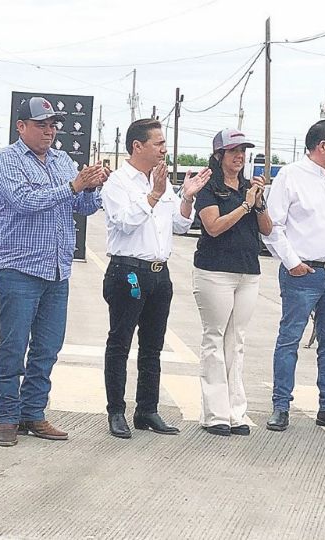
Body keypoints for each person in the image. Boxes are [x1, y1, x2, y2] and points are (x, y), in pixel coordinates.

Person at [0, 96, 105, 447]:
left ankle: (33, 412)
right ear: (21, 127)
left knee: (47, 348)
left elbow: (81, 206)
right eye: (41, 124)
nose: (49, 131)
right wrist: (73, 185)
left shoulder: (63, 161)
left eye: (53, 124)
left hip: (56, 269)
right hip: (19, 268)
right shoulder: (6, 161)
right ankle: (7, 417)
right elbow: (24, 202)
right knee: (13, 347)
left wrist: (95, 185)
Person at [101, 118, 210, 439]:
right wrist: (155, 194)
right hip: (127, 272)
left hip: (159, 275)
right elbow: (124, 222)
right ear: (138, 146)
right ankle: (116, 411)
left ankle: (147, 410)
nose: (164, 149)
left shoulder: (160, 179)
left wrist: (186, 197)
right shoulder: (118, 182)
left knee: (153, 347)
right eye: (159, 143)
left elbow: (179, 224)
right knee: (120, 344)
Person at [262, 119, 325, 433]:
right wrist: (292, 262)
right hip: (302, 273)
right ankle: (281, 406)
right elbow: (272, 227)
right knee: (290, 339)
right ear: (323, 146)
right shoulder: (291, 177)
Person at [192, 129, 271, 437]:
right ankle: (215, 414)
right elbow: (212, 227)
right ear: (219, 155)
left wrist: (258, 202)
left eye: (243, 151)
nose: (239, 156)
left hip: (247, 271)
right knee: (215, 338)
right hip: (215, 271)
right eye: (233, 150)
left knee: (236, 341)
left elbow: (267, 228)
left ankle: (236, 413)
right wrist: (245, 206)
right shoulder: (209, 188)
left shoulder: (250, 188)